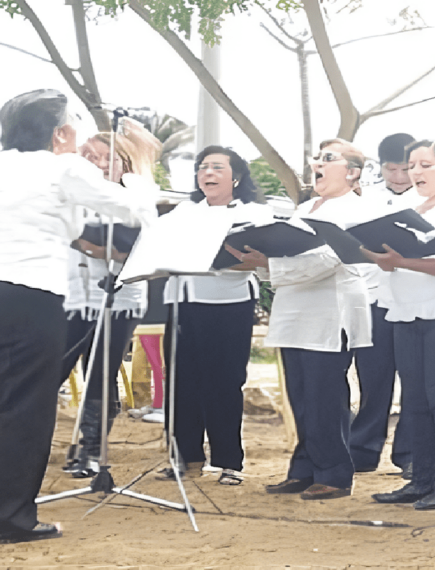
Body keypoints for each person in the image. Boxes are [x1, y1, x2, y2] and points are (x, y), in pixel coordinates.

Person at [0, 89, 155, 544]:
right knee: (25, 406)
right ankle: (9, 516)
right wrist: (140, 164)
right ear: (61, 133)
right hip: (32, 294)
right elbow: (135, 209)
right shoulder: (63, 166)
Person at [365, 140, 435, 510]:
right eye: (412, 165)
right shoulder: (403, 207)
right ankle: (421, 479)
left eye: (425, 164)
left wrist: (402, 261)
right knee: (413, 399)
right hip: (404, 308)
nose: (415, 172)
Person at [257, 138, 373, 500]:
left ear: (352, 172)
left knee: (325, 396)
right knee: (300, 395)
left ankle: (335, 473)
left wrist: (268, 266)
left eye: (327, 159)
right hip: (294, 309)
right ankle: (303, 468)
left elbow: (327, 261)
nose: (316, 165)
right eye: (316, 159)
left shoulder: (357, 209)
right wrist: (261, 260)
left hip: (329, 311)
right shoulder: (306, 206)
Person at [161, 145, 273, 486]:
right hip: (182, 301)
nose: (208, 173)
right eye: (203, 167)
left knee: (224, 383)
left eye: (217, 167)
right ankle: (184, 456)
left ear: (236, 177)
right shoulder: (183, 211)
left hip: (228, 302)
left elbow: (260, 256)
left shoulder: (254, 212)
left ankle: (228, 462)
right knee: (181, 382)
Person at [60, 124, 163, 478]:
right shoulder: (67, 191)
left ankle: (91, 450)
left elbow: (133, 250)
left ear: (125, 165)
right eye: (90, 155)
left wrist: (83, 243)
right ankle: (29, 445)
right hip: (67, 296)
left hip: (118, 298)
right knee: (50, 370)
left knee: (100, 372)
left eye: (109, 158)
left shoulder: (135, 199)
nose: (99, 163)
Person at [349, 133, 418, 475]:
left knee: (413, 380)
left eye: (405, 169)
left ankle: (409, 452)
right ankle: (363, 449)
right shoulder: (365, 198)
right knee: (373, 378)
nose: (399, 177)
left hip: (414, 298)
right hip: (373, 297)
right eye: (392, 169)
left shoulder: (428, 197)